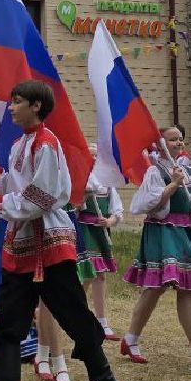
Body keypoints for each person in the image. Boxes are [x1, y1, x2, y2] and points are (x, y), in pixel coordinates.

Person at [0, 80, 119, 381]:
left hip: (49, 245)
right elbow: (20, 186)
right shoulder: (19, 145)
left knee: (74, 317)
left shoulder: (47, 144)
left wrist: (1, 200)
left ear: (36, 106)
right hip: (22, 246)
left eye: (17, 101)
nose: (11, 107)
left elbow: (42, 197)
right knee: (8, 324)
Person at [120, 126, 191, 373]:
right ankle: (133, 339)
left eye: (181, 139)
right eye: (172, 139)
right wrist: (173, 184)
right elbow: (148, 205)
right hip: (161, 231)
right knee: (156, 287)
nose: (179, 142)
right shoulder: (154, 171)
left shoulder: (187, 170)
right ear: (160, 144)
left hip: (183, 232)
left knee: (183, 289)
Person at [74, 145, 123, 339]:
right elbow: (74, 208)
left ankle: (102, 320)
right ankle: (78, 315)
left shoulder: (108, 184)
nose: (93, 159)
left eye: (96, 156)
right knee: (86, 274)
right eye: (90, 156)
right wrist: (82, 197)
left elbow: (117, 210)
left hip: (101, 231)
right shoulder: (80, 180)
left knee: (100, 275)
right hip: (84, 230)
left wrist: (109, 221)